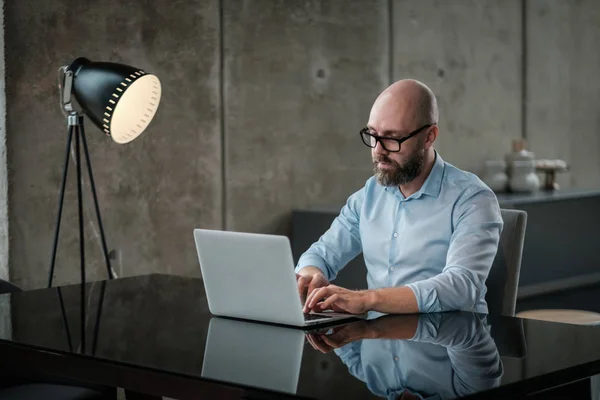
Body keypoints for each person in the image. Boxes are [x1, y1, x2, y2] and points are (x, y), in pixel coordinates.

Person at [297, 79, 503, 315]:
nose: (378, 150)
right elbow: (320, 254)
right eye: (373, 135)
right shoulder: (368, 196)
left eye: (392, 138)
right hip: (375, 338)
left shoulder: (472, 199)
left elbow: (460, 287)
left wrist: (368, 299)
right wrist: (311, 276)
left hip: (447, 341)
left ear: (429, 137)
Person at [306, 312, 503, 400]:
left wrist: (324, 315)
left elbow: (339, 340)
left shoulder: (375, 382)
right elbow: (465, 332)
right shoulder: (468, 390)